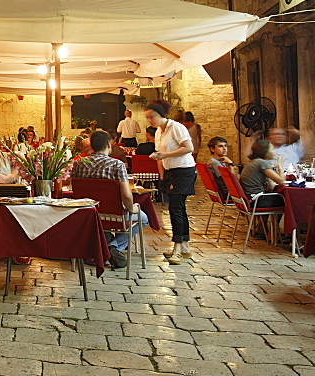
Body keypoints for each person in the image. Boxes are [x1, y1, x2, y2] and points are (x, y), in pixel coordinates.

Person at [71, 130, 149, 269]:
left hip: (88, 213)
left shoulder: (78, 164)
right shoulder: (117, 165)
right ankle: (112, 248)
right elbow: (126, 195)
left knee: (102, 220)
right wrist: (132, 208)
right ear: (109, 144)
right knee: (142, 218)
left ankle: (104, 249)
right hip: (113, 215)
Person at [146, 100, 197, 264]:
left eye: (152, 116)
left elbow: (189, 148)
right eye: (147, 118)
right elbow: (159, 154)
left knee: (176, 207)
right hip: (170, 171)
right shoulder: (158, 132)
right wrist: (162, 176)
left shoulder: (176, 127)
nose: (150, 120)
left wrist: (166, 156)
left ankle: (177, 248)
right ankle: (185, 246)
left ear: (161, 114)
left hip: (183, 170)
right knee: (179, 207)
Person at [239, 139, 286, 207]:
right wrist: (280, 166)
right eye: (272, 149)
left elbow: (270, 185)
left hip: (250, 199)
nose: (274, 152)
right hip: (258, 200)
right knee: (289, 199)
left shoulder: (253, 161)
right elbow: (281, 181)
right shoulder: (262, 162)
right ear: (265, 151)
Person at [207, 136, 237, 202]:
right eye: (220, 146)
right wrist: (230, 163)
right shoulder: (214, 162)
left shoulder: (219, 160)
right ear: (212, 149)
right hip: (229, 194)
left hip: (228, 191)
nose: (225, 149)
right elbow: (231, 180)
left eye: (225, 146)